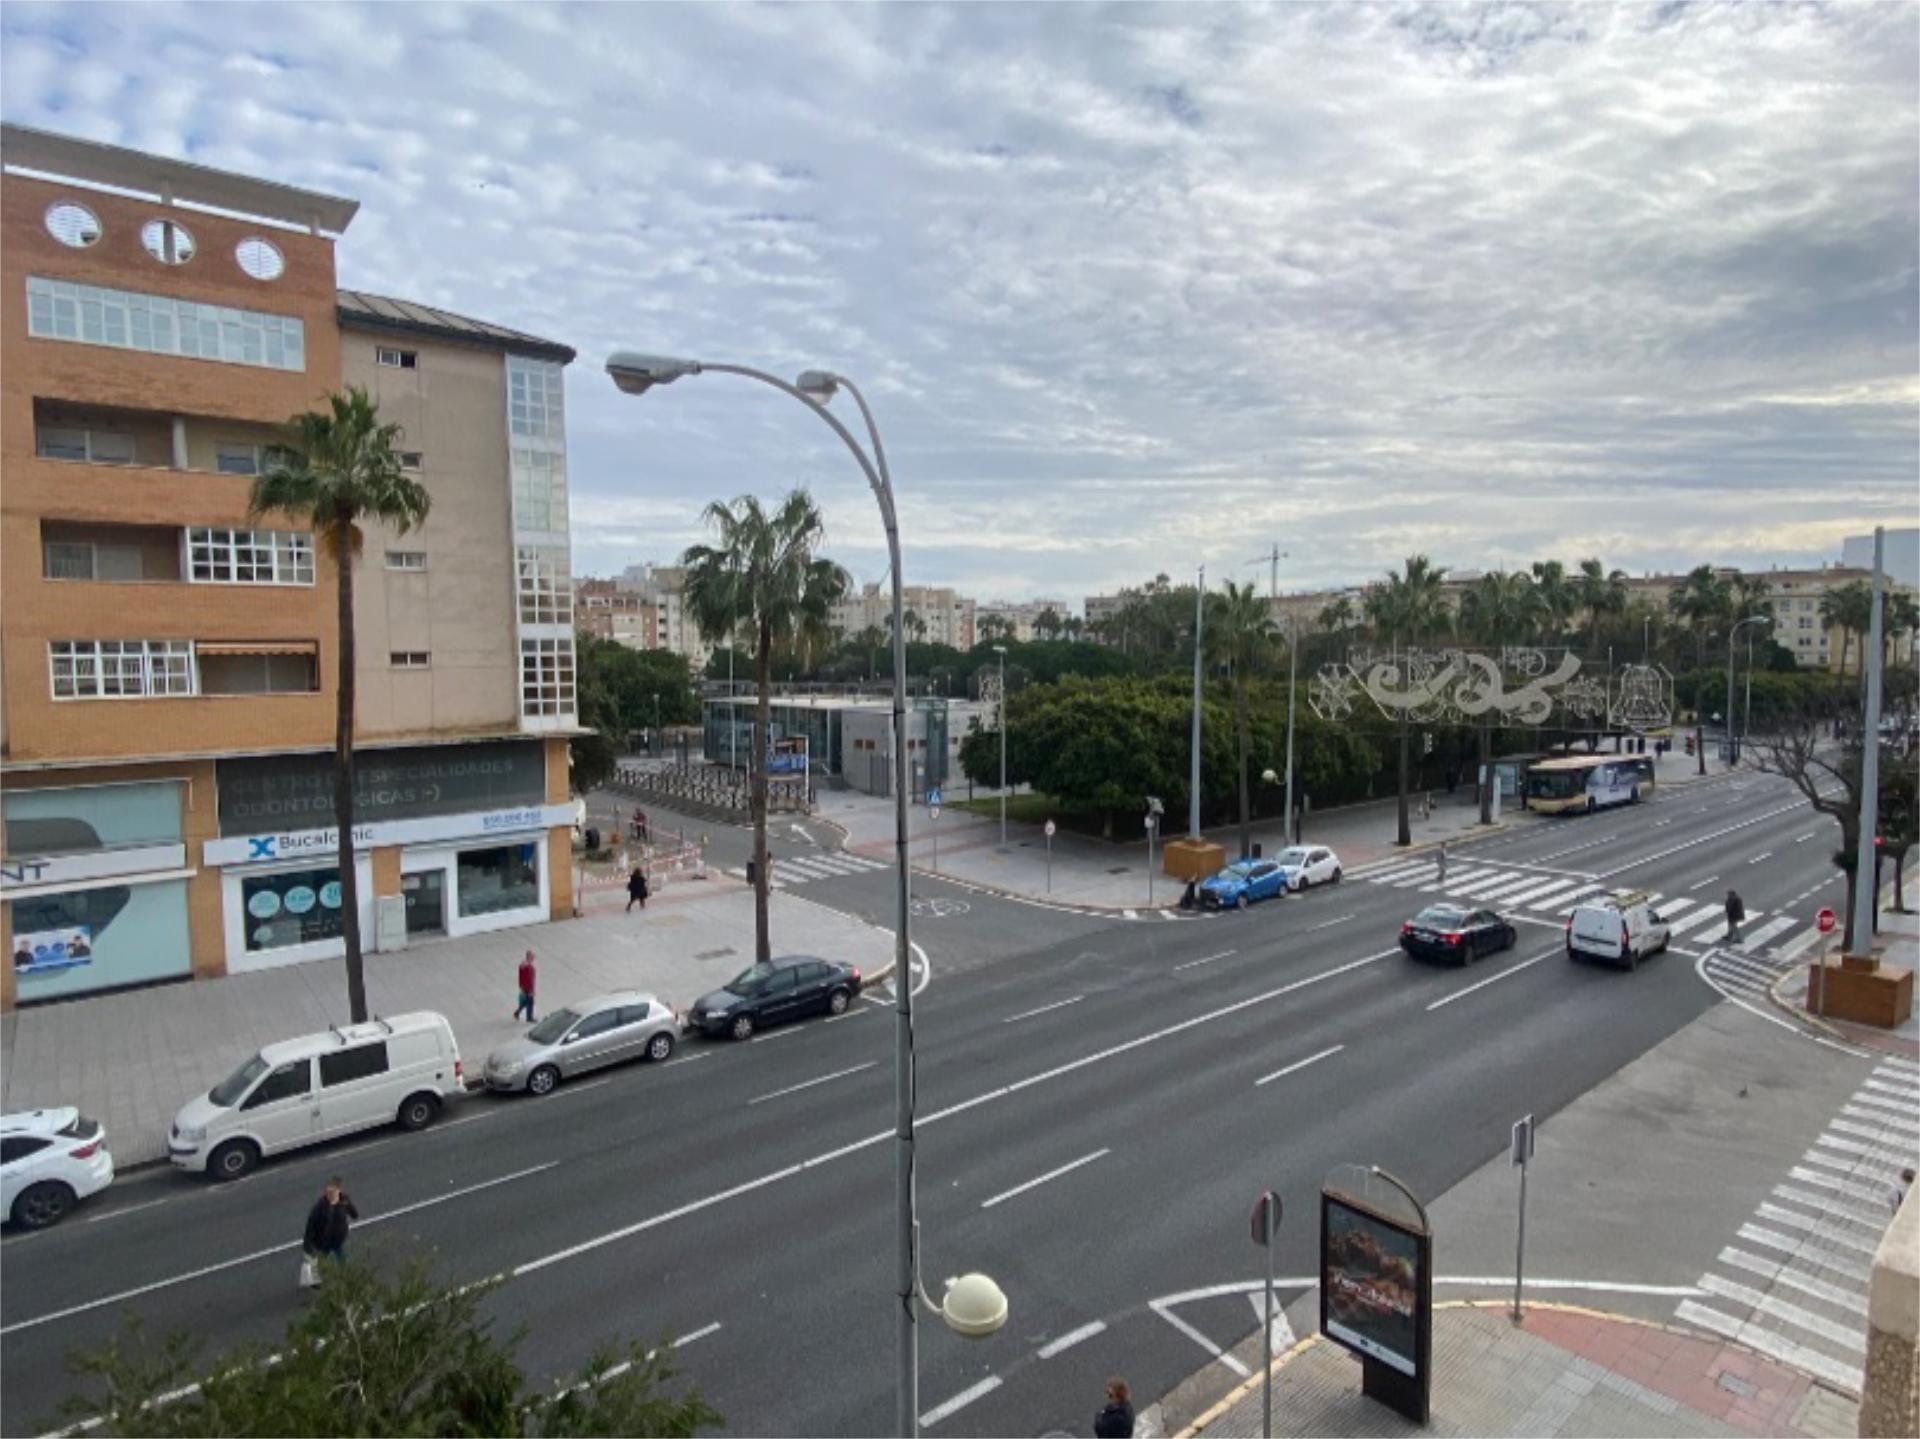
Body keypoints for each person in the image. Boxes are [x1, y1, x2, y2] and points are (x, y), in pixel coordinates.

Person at [303, 1177, 358, 1269]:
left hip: (337, 1236)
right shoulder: (320, 1207)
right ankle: (322, 1272)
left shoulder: (344, 1201)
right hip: (326, 1238)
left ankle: (342, 1271)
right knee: (330, 1254)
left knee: (336, 1253)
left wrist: (349, 1207)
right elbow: (311, 1224)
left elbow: (354, 1214)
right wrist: (308, 1243)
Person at [515, 950, 537, 1022]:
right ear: (529, 956)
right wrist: (532, 990)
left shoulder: (524, 965)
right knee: (530, 1002)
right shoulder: (527, 966)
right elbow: (529, 979)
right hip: (527, 988)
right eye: (533, 956)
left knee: (526, 1002)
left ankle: (517, 1013)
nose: (534, 957)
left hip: (524, 987)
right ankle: (529, 1018)